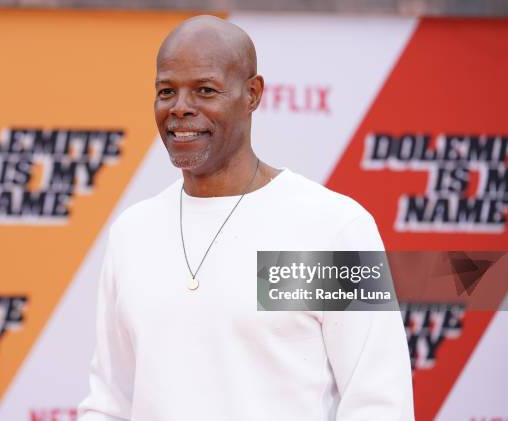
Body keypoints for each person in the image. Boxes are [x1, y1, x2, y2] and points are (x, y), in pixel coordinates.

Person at [79, 15, 414, 421]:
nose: (181, 108)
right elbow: (111, 402)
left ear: (252, 93)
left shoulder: (331, 227)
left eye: (205, 90)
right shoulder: (132, 233)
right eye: (167, 91)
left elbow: (378, 403)